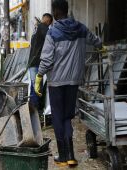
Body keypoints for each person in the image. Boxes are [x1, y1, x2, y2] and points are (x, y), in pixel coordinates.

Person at [35, 0, 101, 167]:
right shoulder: (81, 28)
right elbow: (95, 40)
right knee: (68, 116)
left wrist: (39, 75)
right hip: (74, 81)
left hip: (57, 81)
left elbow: (47, 59)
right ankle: (71, 155)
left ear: (56, 12)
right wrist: (102, 47)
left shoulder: (53, 32)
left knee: (58, 117)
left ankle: (63, 156)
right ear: (67, 10)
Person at [28, 13, 53, 111]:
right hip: (37, 62)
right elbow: (51, 37)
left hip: (32, 62)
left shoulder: (36, 29)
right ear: (48, 21)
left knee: (34, 85)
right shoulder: (43, 27)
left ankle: (31, 108)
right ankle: (35, 109)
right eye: (48, 21)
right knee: (37, 87)